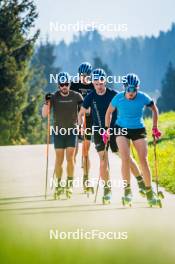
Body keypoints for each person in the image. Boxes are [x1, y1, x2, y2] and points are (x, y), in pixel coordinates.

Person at [78, 69, 144, 204]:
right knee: (103, 160)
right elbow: (80, 114)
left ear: (105, 81)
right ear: (93, 83)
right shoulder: (90, 96)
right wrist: (80, 126)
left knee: (126, 158)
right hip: (98, 132)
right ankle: (107, 190)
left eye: (101, 83)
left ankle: (141, 182)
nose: (99, 86)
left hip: (116, 131)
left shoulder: (114, 94)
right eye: (96, 84)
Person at [105, 73, 162, 207]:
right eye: (128, 89)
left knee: (143, 160)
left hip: (138, 129)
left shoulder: (143, 97)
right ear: (124, 88)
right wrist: (107, 129)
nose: (131, 93)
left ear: (137, 88)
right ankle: (127, 192)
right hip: (121, 129)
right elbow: (109, 113)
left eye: (133, 89)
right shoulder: (118, 98)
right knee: (125, 158)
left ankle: (149, 192)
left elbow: (154, 109)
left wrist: (154, 126)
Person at [42, 72, 83, 199]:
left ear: (69, 84)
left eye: (66, 84)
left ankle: (69, 185)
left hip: (71, 131)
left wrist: (82, 122)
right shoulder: (53, 97)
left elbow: (84, 112)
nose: (64, 87)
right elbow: (44, 114)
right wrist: (46, 102)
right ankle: (59, 185)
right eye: (62, 84)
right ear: (58, 85)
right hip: (59, 132)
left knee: (70, 159)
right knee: (59, 160)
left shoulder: (76, 96)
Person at [70, 62, 94, 193]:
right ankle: (70, 178)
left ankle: (86, 179)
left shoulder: (93, 85)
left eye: (86, 75)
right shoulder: (74, 85)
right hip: (75, 119)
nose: (84, 77)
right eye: (81, 75)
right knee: (74, 151)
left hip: (89, 119)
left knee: (86, 151)